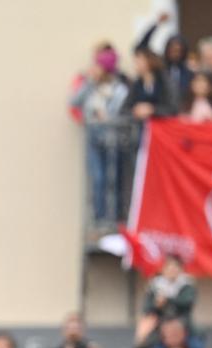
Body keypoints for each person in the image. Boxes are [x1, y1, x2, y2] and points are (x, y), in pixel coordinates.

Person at [70, 44, 129, 223]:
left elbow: (121, 109)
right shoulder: (90, 85)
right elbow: (75, 101)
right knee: (98, 178)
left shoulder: (119, 88)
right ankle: (99, 217)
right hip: (94, 137)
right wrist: (88, 82)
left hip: (113, 139)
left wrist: (107, 116)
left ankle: (115, 218)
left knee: (113, 179)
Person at [123, 47, 176, 120]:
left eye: (139, 60)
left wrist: (152, 110)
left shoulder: (164, 82)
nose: (136, 64)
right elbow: (124, 109)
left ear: (149, 61)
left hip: (161, 127)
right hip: (140, 127)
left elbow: (173, 109)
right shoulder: (137, 84)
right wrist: (135, 111)